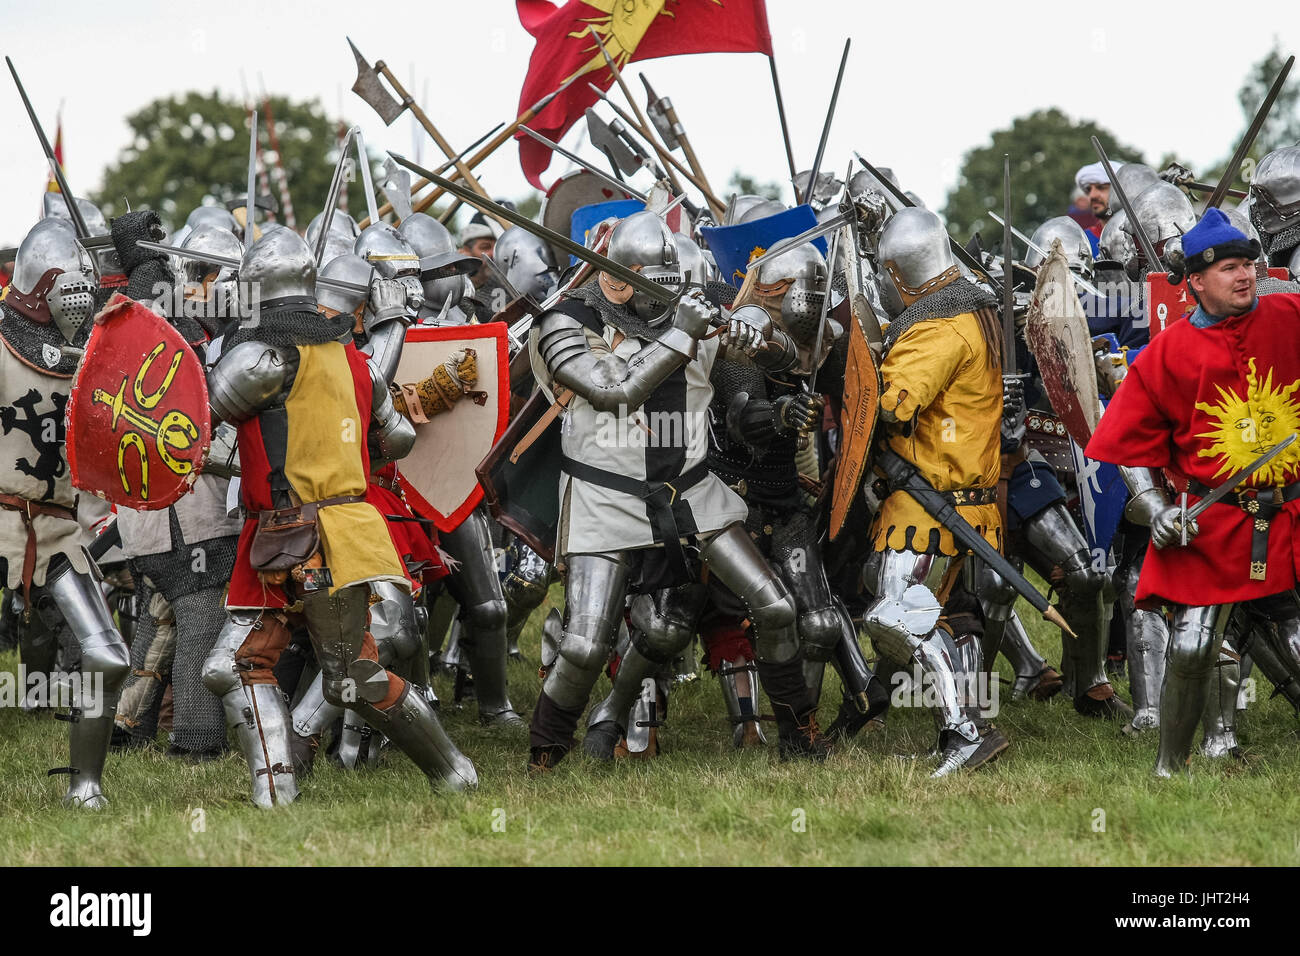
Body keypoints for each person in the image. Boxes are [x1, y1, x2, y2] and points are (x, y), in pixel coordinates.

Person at [1086, 208, 1300, 776]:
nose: (1245, 276)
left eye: (1249, 265)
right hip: (1216, 520)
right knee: (1190, 647)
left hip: (1292, 512)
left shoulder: (1291, 316)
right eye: (1230, 268)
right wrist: (1155, 507)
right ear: (1197, 283)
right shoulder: (1166, 354)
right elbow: (1130, 447)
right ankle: (1169, 768)